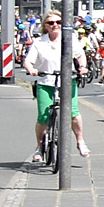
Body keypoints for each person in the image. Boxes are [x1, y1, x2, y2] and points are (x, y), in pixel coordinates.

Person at [25, 13, 88, 161]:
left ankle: (80, 141)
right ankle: (40, 147)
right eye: (51, 23)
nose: (55, 25)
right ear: (45, 26)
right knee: (43, 116)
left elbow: (80, 55)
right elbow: (28, 61)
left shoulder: (69, 38)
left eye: (58, 22)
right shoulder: (39, 42)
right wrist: (31, 69)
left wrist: (82, 67)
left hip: (67, 81)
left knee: (73, 112)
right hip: (46, 81)